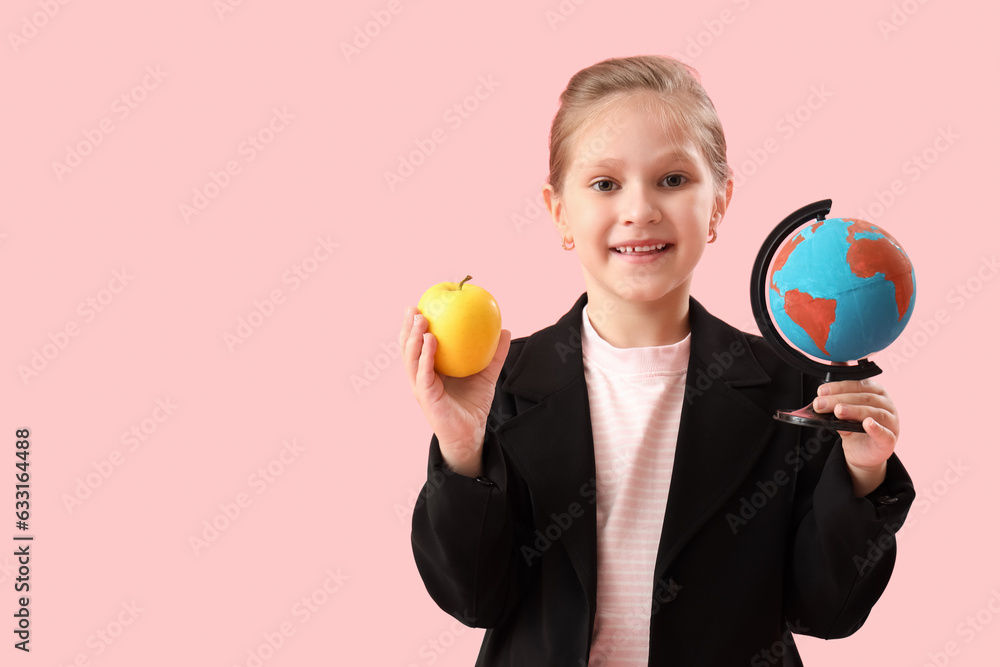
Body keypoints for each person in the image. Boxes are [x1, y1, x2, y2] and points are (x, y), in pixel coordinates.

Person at [401, 55, 914, 666]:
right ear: (559, 209)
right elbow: (475, 600)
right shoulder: (502, 383)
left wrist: (861, 477)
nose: (639, 209)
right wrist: (463, 453)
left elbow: (826, 611)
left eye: (672, 180)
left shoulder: (794, 386)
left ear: (719, 202)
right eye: (604, 184)